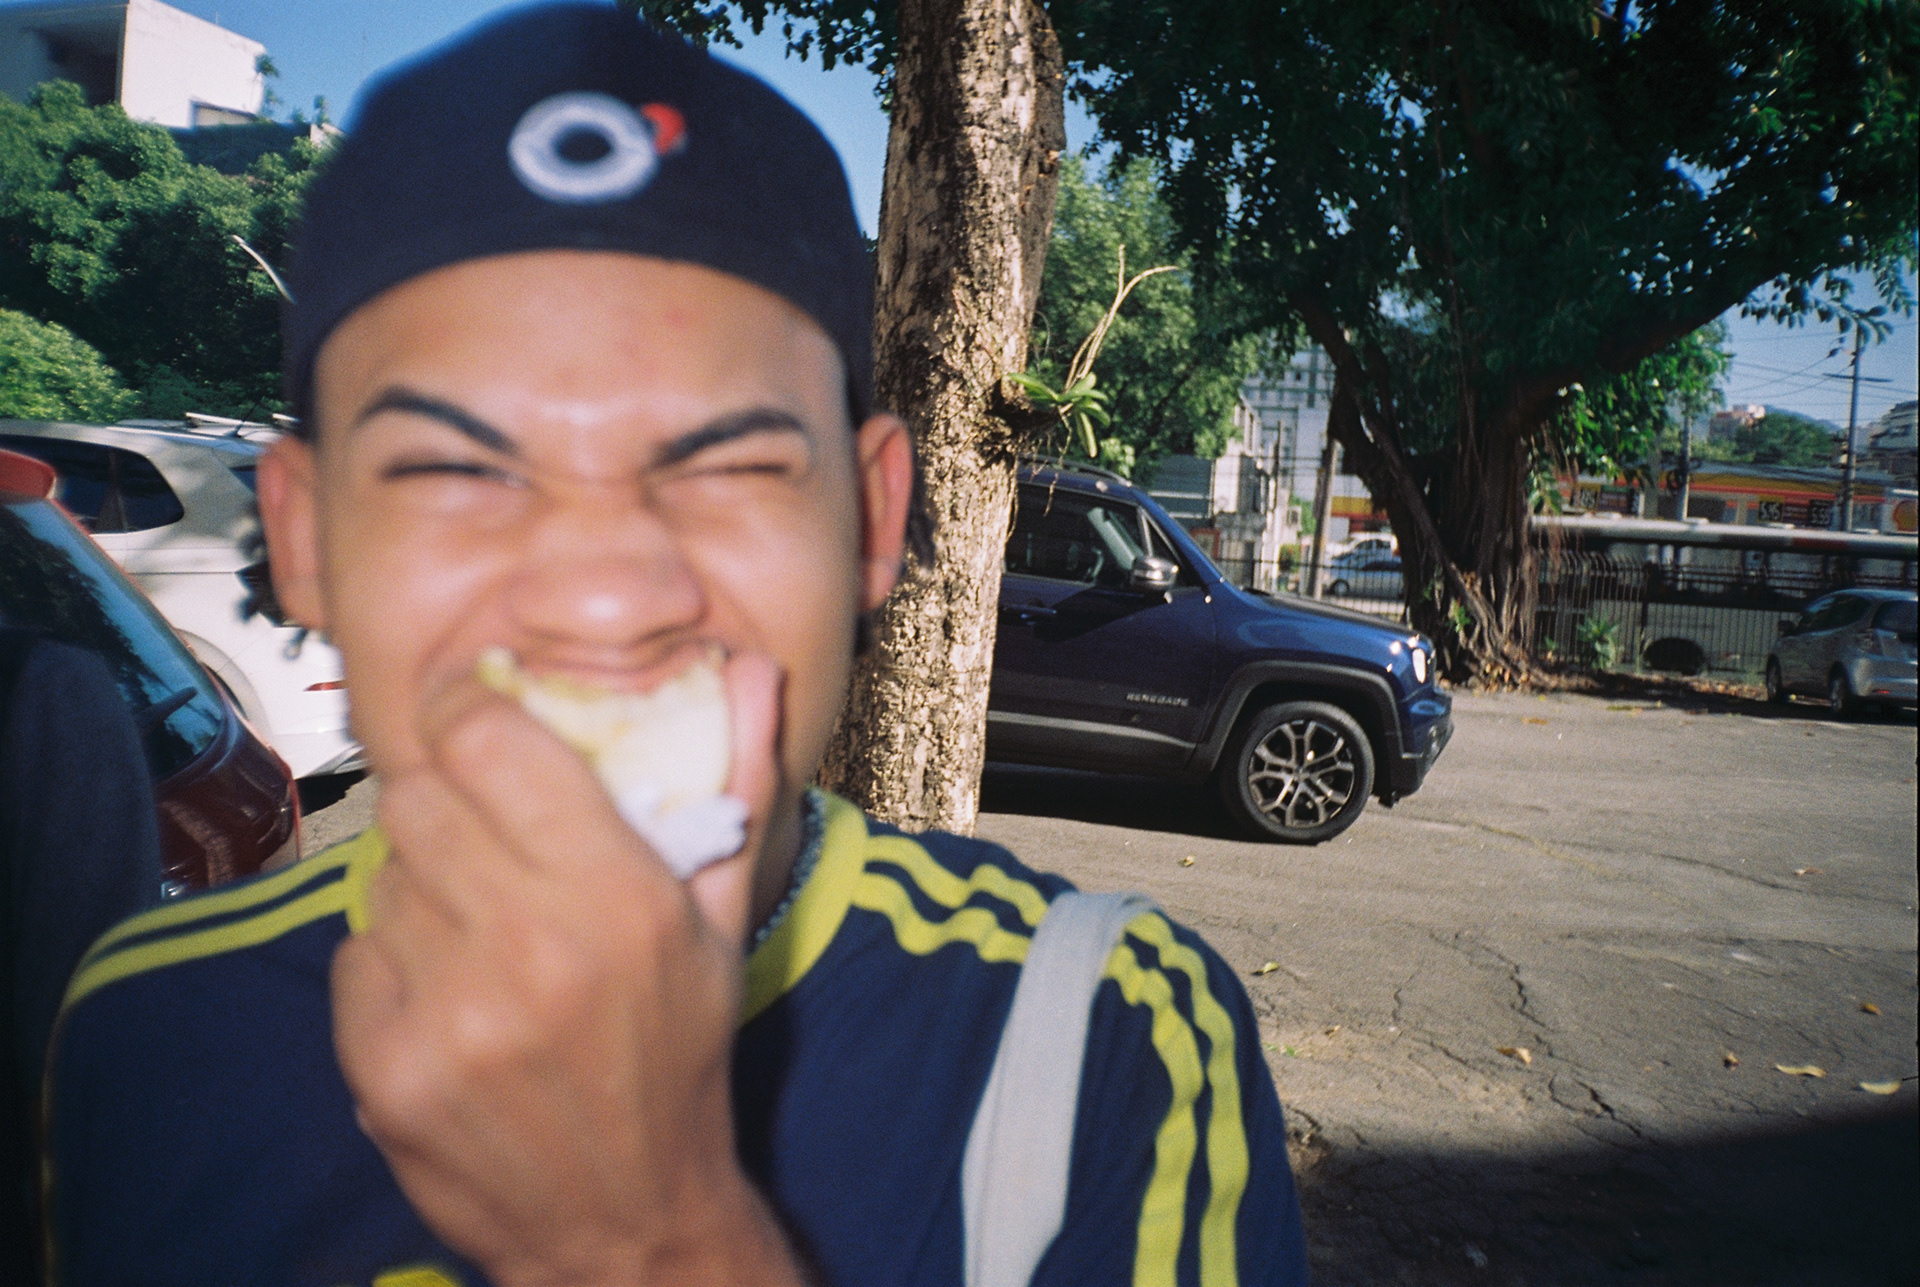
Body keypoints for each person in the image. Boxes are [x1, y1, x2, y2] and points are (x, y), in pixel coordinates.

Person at [41, 6, 1310, 1284]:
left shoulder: (1099, 1044)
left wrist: (646, 1238)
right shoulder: (140, 1034)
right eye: (450, 469)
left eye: (729, 466)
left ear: (871, 519)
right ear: (305, 537)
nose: (601, 597)